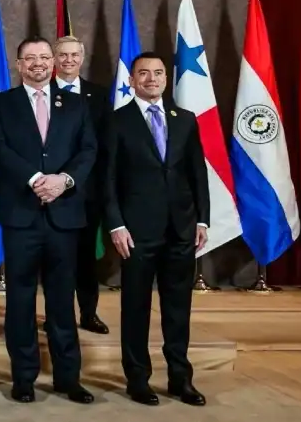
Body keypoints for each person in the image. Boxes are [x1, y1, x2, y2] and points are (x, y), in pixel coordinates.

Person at [0, 35, 96, 404]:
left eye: (45, 57)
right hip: (21, 215)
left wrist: (64, 181)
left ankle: (68, 378)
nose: (38, 64)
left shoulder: (76, 104)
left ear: (54, 62)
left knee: (62, 301)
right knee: (20, 301)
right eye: (30, 58)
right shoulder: (2, 103)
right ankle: (24, 378)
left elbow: (88, 150)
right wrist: (34, 179)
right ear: (19, 65)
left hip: (64, 215)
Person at [104, 52, 209, 407]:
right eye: (144, 73)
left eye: (158, 73)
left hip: (181, 229)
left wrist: (202, 219)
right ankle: (138, 379)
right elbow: (108, 179)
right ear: (131, 80)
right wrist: (116, 224)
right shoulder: (117, 121)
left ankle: (181, 379)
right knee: (136, 308)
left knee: (178, 310)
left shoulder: (185, 120)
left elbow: (197, 173)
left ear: (166, 78)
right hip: (136, 232)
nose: (152, 79)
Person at [53, 35, 112, 334]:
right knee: (55, 260)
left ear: (82, 58)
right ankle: (56, 316)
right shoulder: (42, 92)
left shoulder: (99, 96)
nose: (69, 60)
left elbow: (104, 146)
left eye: (74, 55)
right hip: (50, 191)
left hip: (87, 192)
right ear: (54, 59)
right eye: (63, 55)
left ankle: (88, 313)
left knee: (86, 257)